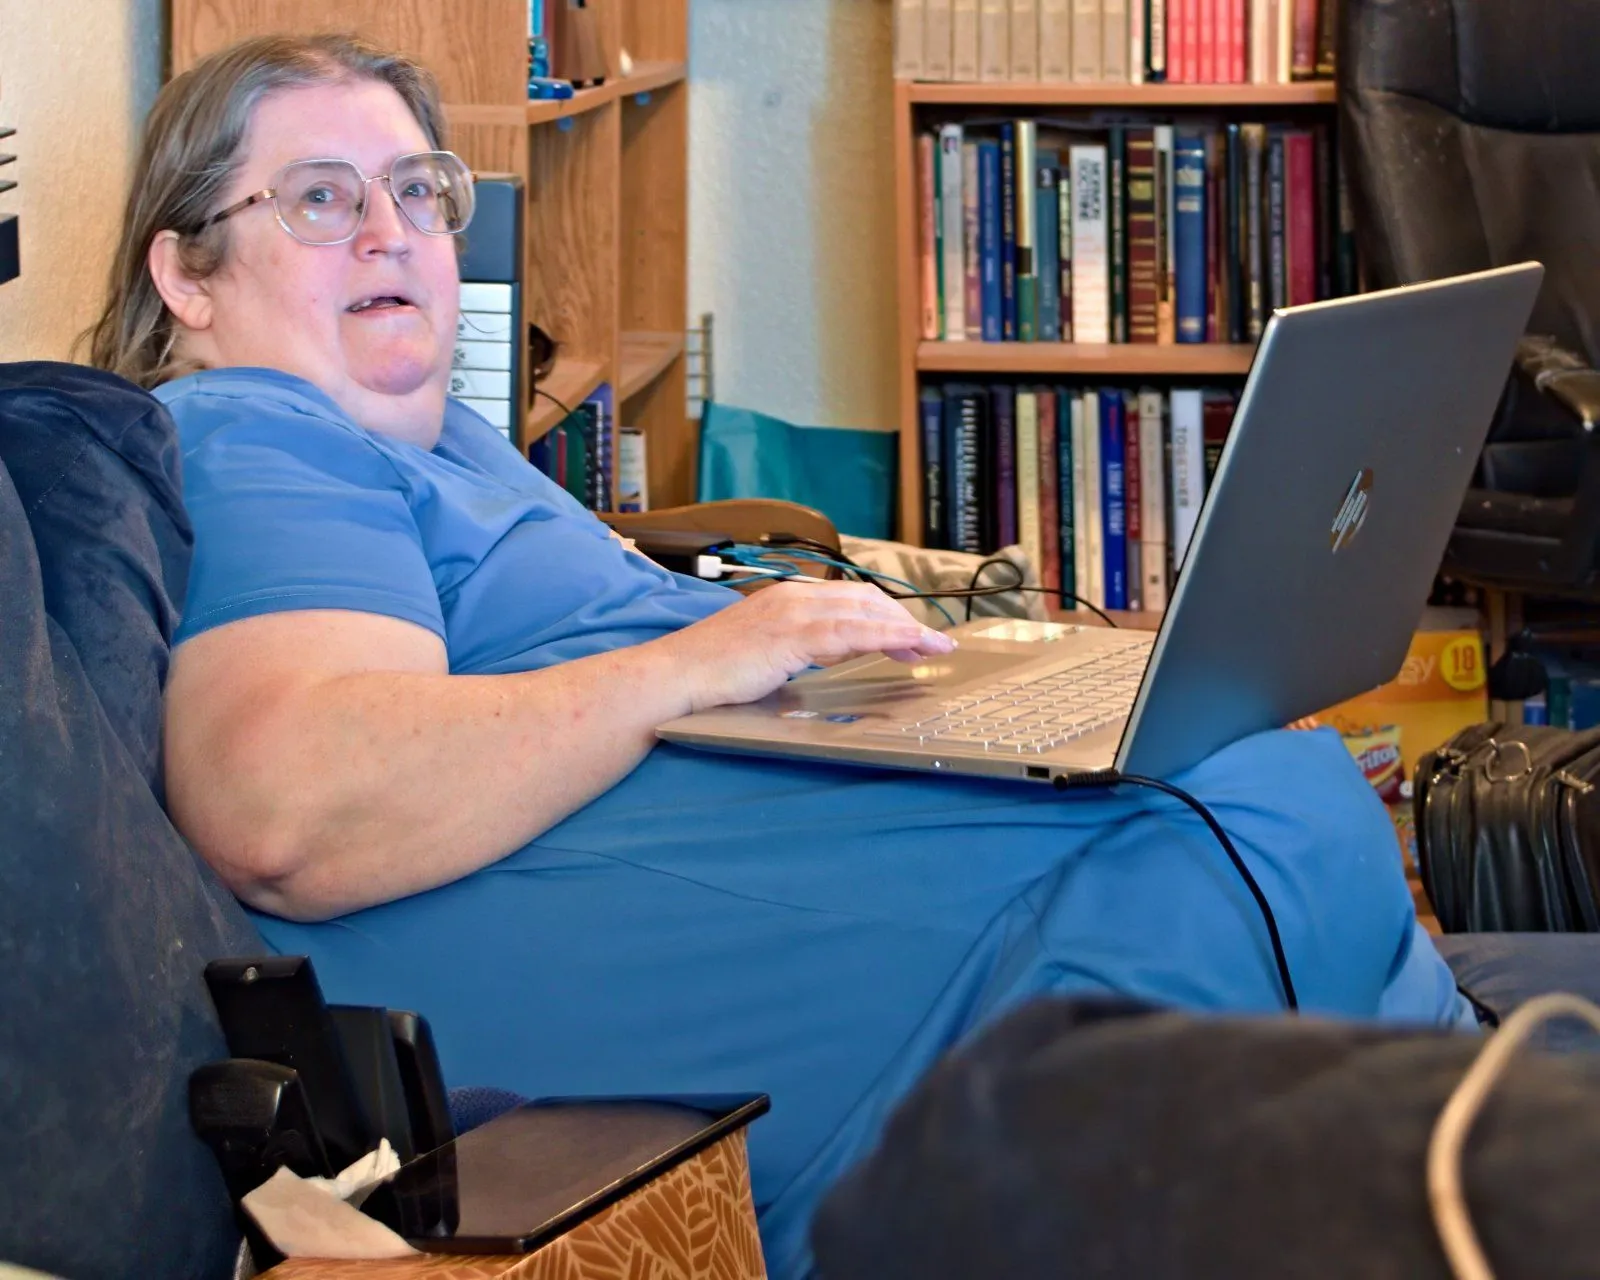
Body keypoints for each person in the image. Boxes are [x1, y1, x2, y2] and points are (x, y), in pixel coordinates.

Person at [89, 34, 1472, 1278]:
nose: (390, 232)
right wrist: (692, 664)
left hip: (720, 862)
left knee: (1241, 781)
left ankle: (1472, 1173)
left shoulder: (434, 438)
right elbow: (288, 806)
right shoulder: (255, 431)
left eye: (416, 190)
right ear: (186, 275)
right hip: (595, 974)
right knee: (1232, 836)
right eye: (322, 199)